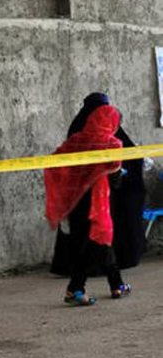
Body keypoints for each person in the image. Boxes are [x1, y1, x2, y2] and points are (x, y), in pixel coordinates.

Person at [44, 104, 131, 306]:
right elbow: (116, 179)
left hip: (75, 201)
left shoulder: (76, 140)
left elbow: (56, 161)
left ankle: (116, 284)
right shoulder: (112, 144)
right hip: (96, 201)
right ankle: (76, 288)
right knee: (97, 241)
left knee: (94, 242)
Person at [50, 93, 146, 275]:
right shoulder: (88, 130)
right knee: (96, 233)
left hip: (91, 192)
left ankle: (92, 280)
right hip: (95, 193)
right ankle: (106, 280)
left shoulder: (91, 128)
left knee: (94, 233)